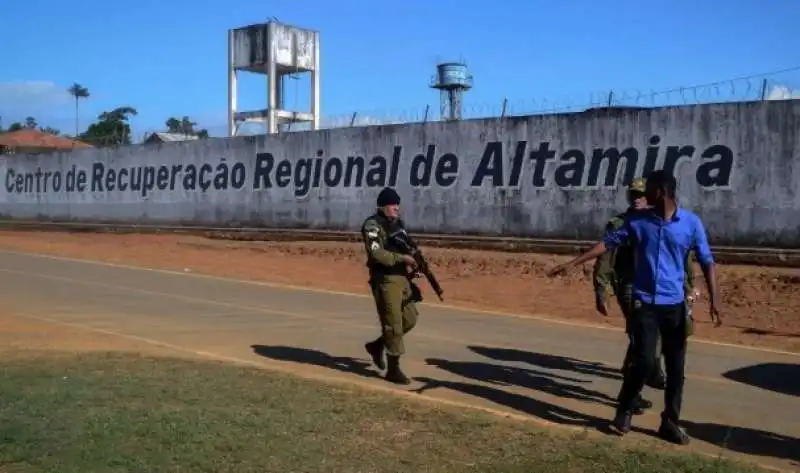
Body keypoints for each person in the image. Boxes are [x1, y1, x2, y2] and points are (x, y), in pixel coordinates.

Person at [548, 170, 722, 445]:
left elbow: (706, 260)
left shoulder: (690, 223)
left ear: (662, 191)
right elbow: (607, 244)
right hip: (645, 305)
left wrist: (715, 298)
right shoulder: (638, 222)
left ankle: (670, 422)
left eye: (649, 189)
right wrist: (573, 263)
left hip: (674, 306)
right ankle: (624, 410)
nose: (642, 196)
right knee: (643, 361)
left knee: (676, 369)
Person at [360, 187, 420, 385]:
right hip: (385, 280)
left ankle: (377, 346)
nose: (396, 208)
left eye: (397, 205)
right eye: (392, 205)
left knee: (410, 319)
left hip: (402, 279)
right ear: (383, 206)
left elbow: (407, 245)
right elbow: (377, 254)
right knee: (393, 324)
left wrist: (415, 263)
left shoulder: (397, 224)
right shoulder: (372, 226)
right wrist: (402, 258)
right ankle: (393, 369)